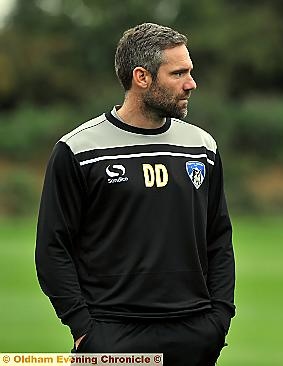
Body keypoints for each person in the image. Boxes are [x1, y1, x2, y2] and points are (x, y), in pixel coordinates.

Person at [35, 23, 235, 366]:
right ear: (141, 77)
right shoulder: (79, 150)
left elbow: (218, 238)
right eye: (179, 73)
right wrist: (84, 329)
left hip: (194, 333)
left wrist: (219, 318)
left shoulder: (201, 146)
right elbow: (53, 248)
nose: (191, 84)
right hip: (111, 335)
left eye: (190, 72)